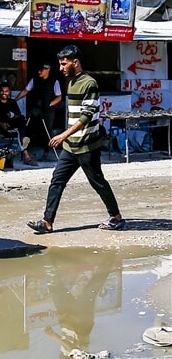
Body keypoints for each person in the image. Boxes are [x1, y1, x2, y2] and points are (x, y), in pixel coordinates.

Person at [27, 45, 125, 234]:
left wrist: (63, 134)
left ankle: (116, 217)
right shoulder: (70, 82)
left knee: (97, 182)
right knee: (57, 180)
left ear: (75, 62)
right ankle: (47, 222)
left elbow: (86, 116)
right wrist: (67, 138)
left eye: (64, 64)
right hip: (71, 146)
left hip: (87, 146)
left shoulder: (90, 83)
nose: (61, 68)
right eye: (60, 64)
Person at [15, 63, 63, 151]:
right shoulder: (35, 79)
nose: (39, 72)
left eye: (42, 70)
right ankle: (24, 149)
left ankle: (46, 152)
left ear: (48, 70)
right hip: (37, 107)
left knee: (47, 131)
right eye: (39, 69)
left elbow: (59, 96)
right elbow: (26, 90)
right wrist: (15, 100)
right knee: (28, 125)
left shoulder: (54, 81)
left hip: (48, 109)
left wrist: (50, 104)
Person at [0, 84, 37, 165]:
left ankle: (24, 142)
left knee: (22, 119)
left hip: (12, 126)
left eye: (6, 91)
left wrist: (12, 115)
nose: (4, 93)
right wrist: (0, 124)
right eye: (2, 91)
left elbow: (18, 115)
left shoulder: (12, 102)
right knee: (20, 133)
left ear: (9, 92)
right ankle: (26, 156)